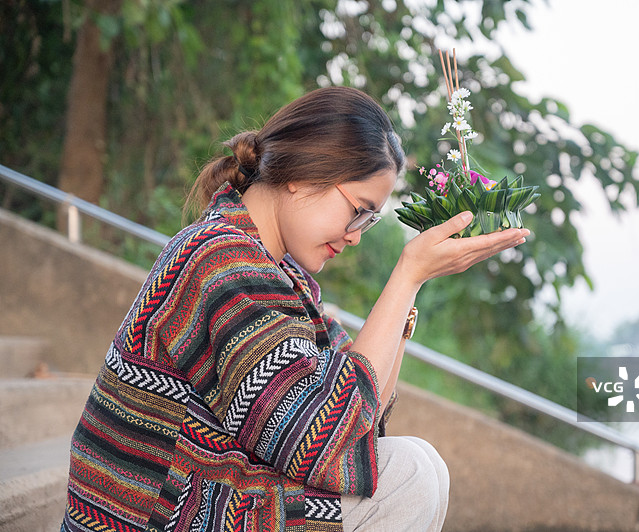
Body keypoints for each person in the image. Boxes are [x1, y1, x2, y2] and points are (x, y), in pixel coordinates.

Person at [62, 86, 529, 532]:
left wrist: (413, 287)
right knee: (410, 475)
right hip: (149, 513)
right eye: (358, 211)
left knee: (420, 464)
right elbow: (329, 443)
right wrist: (406, 274)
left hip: (194, 498)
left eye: (370, 219)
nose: (356, 234)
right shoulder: (220, 260)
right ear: (303, 175)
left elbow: (366, 416)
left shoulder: (279, 274)